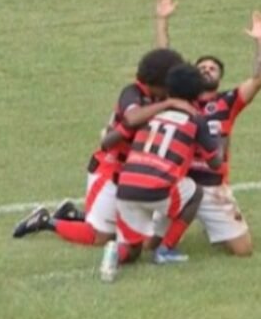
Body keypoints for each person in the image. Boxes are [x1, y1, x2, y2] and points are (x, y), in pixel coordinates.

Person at [12, 48, 195, 246]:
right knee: (100, 237)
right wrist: (168, 104)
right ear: (157, 82)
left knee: (132, 233)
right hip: (110, 170)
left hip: (137, 174)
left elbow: (165, 56)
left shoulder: (158, 94)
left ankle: (72, 214)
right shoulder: (132, 93)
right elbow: (132, 118)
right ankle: (46, 221)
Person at [154, 0, 261, 256]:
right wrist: (162, 21)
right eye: (201, 67)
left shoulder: (229, 102)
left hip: (213, 186)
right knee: (148, 245)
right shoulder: (180, 96)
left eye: (212, 68)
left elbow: (258, 79)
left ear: (220, 77)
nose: (206, 69)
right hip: (180, 183)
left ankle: (211, 223)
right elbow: (163, 59)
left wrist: (260, 42)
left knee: (243, 250)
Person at [102, 63, 222, 265]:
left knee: (132, 252)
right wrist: (217, 138)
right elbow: (216, 163)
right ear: (198, 92)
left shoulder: (148, 114)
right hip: (156, 191)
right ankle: (166, 249)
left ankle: (115, 254)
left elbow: (107, 142)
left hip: (126, 188)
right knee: (195, 193)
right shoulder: (196, 120)